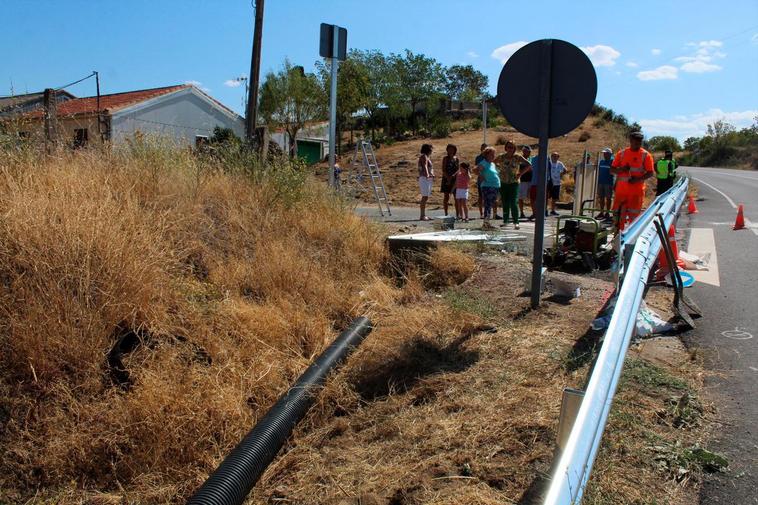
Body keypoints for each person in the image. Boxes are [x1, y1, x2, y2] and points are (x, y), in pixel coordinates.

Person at [611, 131, 654, 230]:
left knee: (634, 219)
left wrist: (637, 179)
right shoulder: (621, 154)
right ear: (630, 141)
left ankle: (631, 240)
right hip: (621, 192)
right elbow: (612, 170)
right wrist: (622, 169)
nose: (638, 144)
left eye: (640, 142)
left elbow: (650, 172)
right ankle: (617, 238)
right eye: (636, 142)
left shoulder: (646, 155)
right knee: (618, 218)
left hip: (636, 193)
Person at [495, 140, 530, 229]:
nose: (510, 149)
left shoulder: (517, 157)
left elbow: (529, 164)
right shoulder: (501, 157)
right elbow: (492, 163)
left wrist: (520, 173)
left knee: (513, 202)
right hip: (503, 182)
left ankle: (516, 222)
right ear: (506, 148)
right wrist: (499, 170)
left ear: (514, 148)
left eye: (512, 147)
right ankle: (505, 221)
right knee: (505, 202)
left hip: (514, 182)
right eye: (508, 147)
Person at [475, 146, 500, 224]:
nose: (493, 156)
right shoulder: (484, 163)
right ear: (486, 155)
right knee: (488, 204)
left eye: (494, 154)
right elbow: (475, 170)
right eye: (491, 154)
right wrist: (481, 176)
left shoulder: (492, 164)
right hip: (487, 186)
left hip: (495, 186)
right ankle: (486, 223)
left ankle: (488, 222)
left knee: (492, 203)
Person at [440, 144, 459, 217]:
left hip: (455, 180)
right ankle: (446, 214)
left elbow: (458, 169)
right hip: (446, 179)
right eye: (449, 149)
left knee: (456, 197)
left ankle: (458, 214)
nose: (451, 150)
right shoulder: (445, 158)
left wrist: (454, 176)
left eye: (452, 149)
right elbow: (443, 170)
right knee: (446, 197)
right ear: (447, 150)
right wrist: (448, 178)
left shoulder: (456, 159)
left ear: (455, 150)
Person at [418, 144, 434, 221]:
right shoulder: (424, 156)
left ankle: (424, 215)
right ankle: (422, 215)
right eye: (431, 148)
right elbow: (424, 165)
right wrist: (427, 174)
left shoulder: (427, 157)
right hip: (424, 178)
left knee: (426, 197)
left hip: (428, 178)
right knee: (424, 197)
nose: (432, 150)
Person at [596, 148, 614, 219]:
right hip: (600, 182)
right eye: (604, 153)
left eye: (606, 153)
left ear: (610, 154)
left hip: (608, 183)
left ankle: (607, 212)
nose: (604, 154)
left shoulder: (612, 162)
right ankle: (602, 212)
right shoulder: (601, 162)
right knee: (601, 198)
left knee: (608, 198)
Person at [547, 152, 566, 216]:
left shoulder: (560, 163)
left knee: (554, 198)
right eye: (553, 156)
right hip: (549, 182)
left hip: (557, 183)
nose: (555, 157)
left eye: (556, 156)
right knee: (547, 196)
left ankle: (552, 210)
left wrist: (560, 175)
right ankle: (545, 209)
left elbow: (565, 170)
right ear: (551, 156)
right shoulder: (549, 163)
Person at [518, 145, 533, 220]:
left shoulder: (531, 159)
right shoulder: (520, 159)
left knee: (532, 197)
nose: (529, 153)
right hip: (522, 181)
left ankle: (533, 212)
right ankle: (521, 212)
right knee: (521, 197)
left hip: (531, 181)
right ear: (524, 151)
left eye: (530, 151)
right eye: (528, 151)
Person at [474, 143, 487, 218]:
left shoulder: (489, 158)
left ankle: (487, 212)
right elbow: (476, 169)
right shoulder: (478, 158)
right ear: (481, 149)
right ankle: (481, 213)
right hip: (481, 181)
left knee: (487, 197)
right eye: (483, 148)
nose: (484, 150)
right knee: (481, 197)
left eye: (485, 148)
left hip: (489, 180)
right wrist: (480, 175)